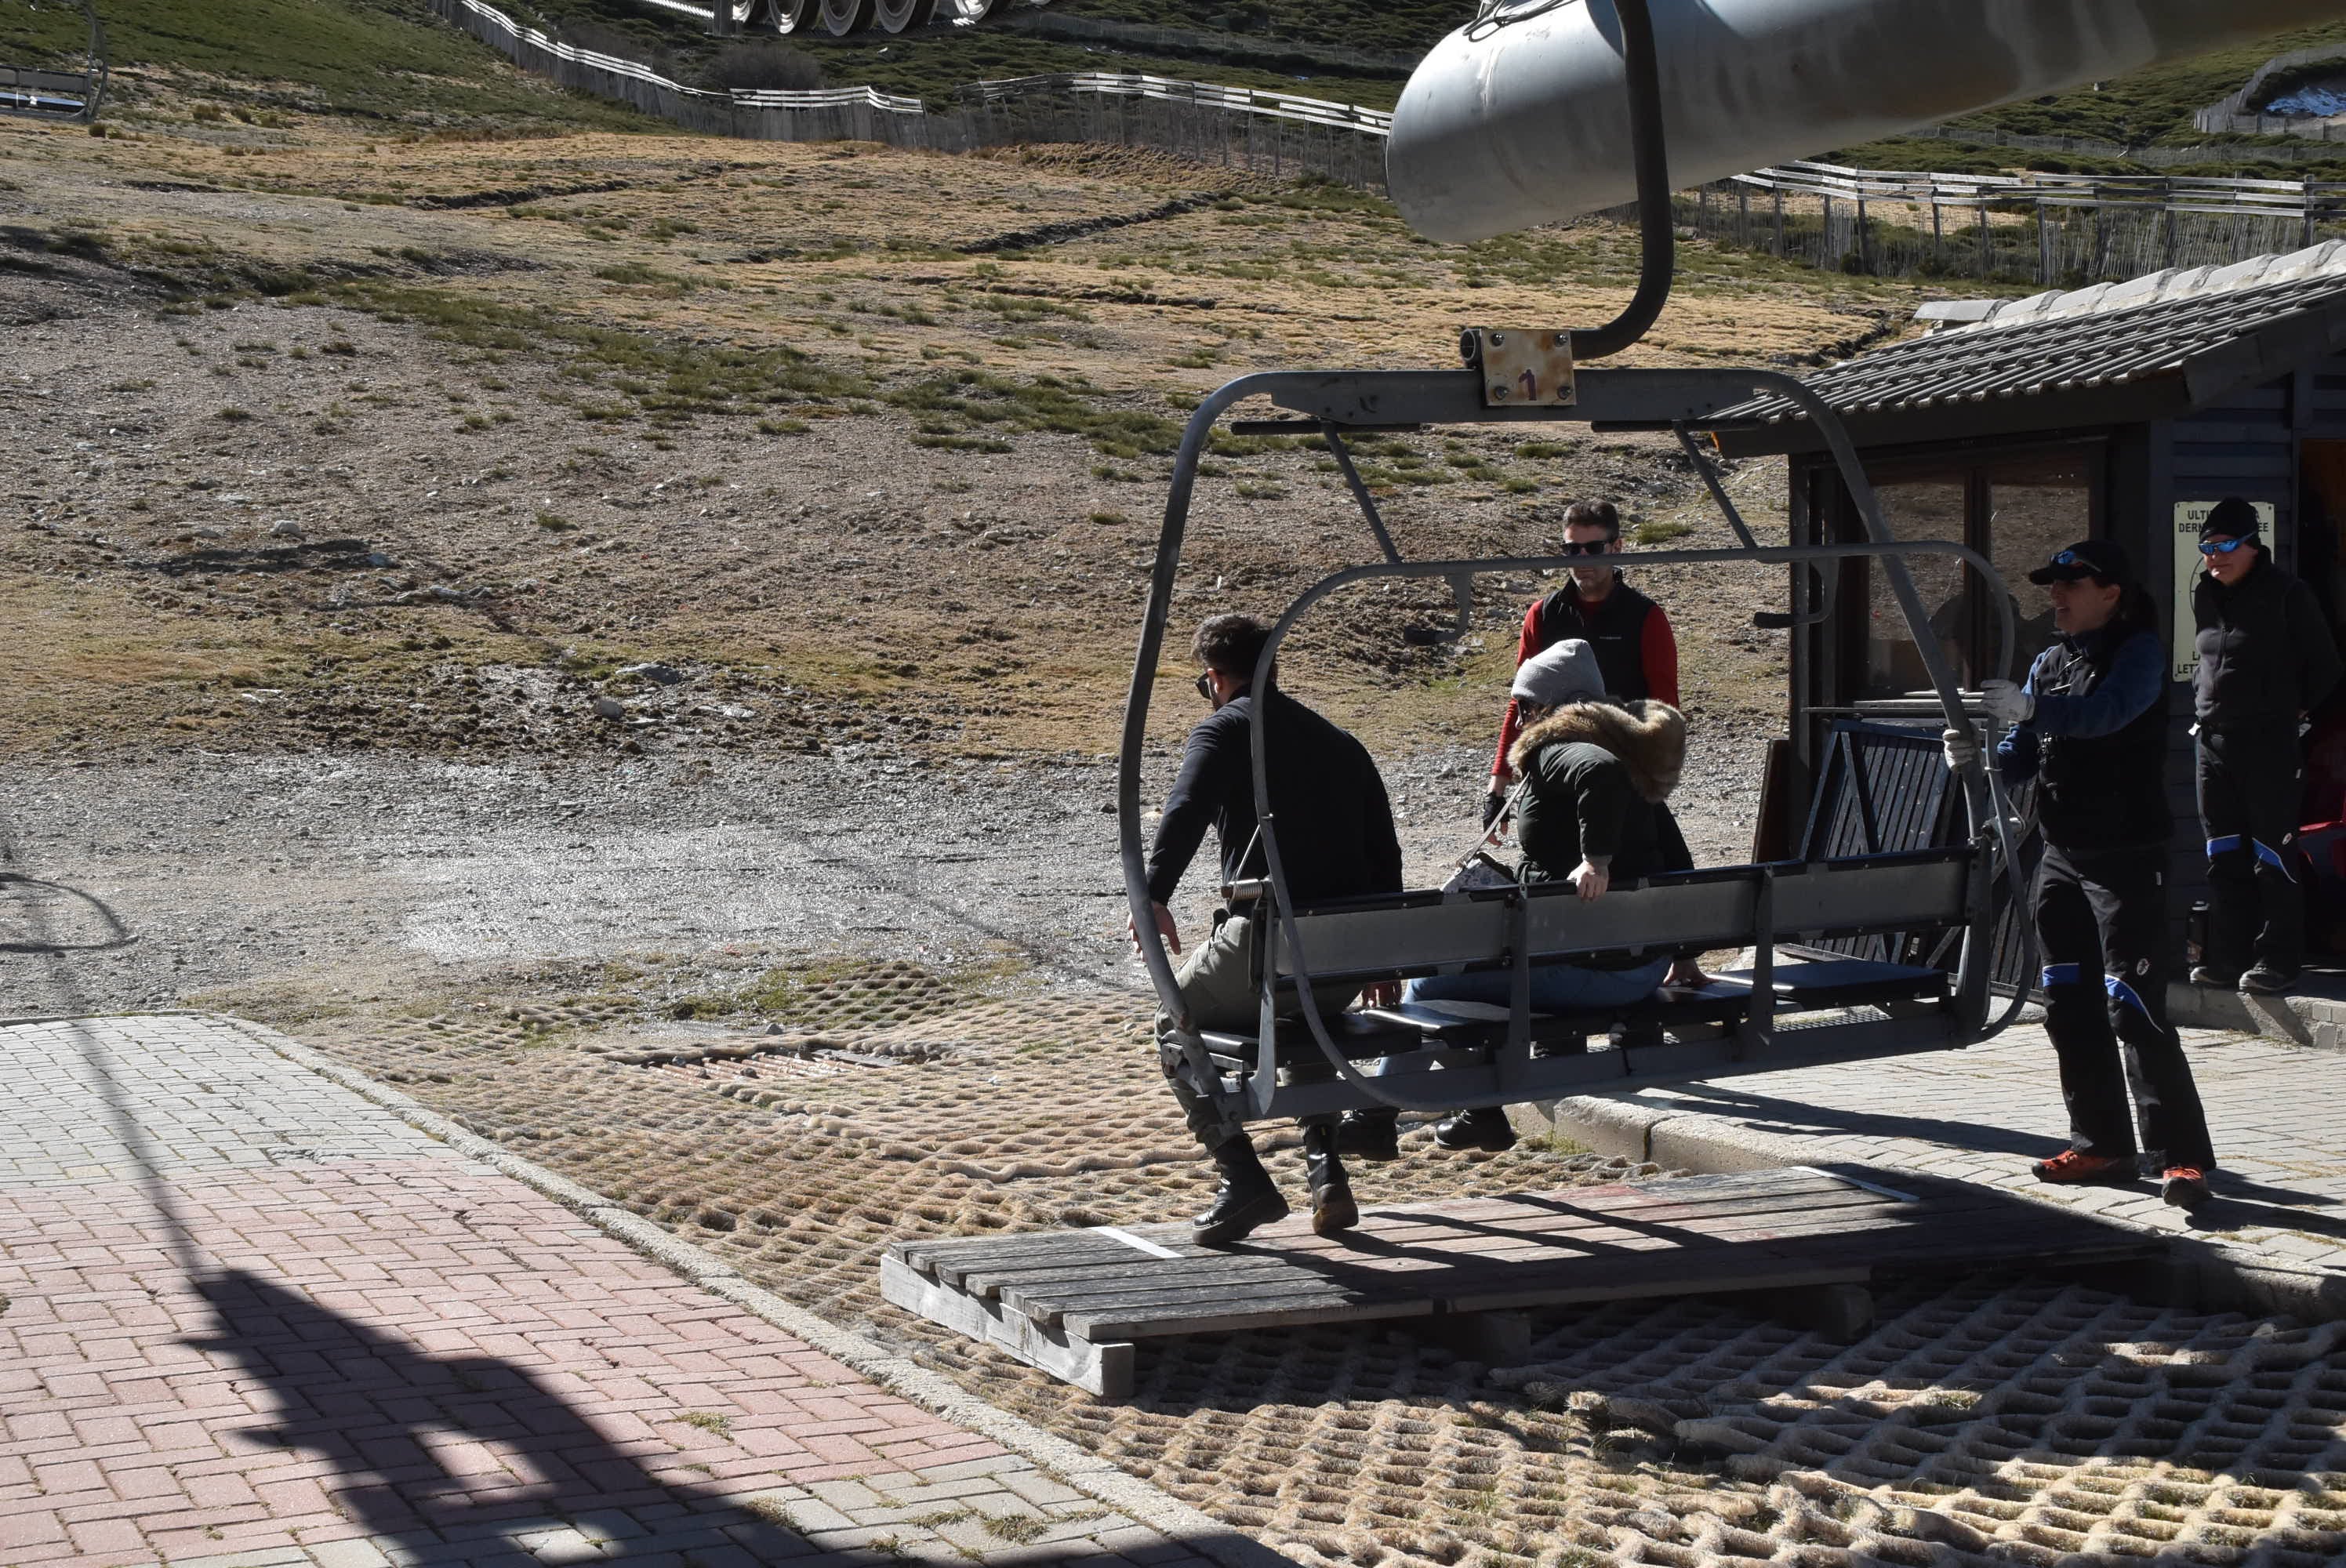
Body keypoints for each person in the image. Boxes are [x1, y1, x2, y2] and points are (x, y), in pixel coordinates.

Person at [1951, 539, 2216, 1209]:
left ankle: (2182, 1159)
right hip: (2062, 854)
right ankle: (2102, 1145)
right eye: (2053, 585)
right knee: (2067, 1003)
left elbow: (2107, 716)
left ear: (2112, 594)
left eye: (2073, 584)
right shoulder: (2048, 662)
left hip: (2129, 856)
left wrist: (2033, 712)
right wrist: (1976, 755)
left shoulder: (2140, 653)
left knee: (2133, 1006)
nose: (2058, 596)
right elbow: (2020, 755)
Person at [1133, 612, 1404, 1246]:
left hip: (1267, 947)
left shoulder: (1225, 730)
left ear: (1216, 678)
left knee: (1173, 1021)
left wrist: (1152, 895)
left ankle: (1242, 1177)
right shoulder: (1341, 741)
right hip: (1345, 962)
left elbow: (1185, 811)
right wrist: (1386, 956)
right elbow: (1384, 855)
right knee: (1306, 1019)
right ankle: (1324, 1170)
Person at [1418, 638, 1687, 1152]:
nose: (1517, 721)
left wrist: (1596, 860)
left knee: (1426, 989)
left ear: (1551, 708)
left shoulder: (1564, 748)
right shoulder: (1633, 760)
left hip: (1592, 970)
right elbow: (1681, 866)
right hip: (1642, 966)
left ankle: (1386, 1115)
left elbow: (1597, 775)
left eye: (1522, 707)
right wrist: (1689, 955)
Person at [2189, 496, 2342, 994]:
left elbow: (2326, 666)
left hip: (2268, 743)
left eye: (2227, 546)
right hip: (2211, 741)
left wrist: (2293, 711)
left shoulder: (2287, 594)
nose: (2216, 557)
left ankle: (2278, 960)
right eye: (2208, 548)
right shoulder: (2205, 594)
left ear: (2254, 546)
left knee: (2271, 855)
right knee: (2224, 852)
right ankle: (2228, 958)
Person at [1484, 500, 1680, 829]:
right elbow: (1521, 703)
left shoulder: (1646, 617)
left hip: (1621, 774)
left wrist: (1650, 783)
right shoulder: (1543, 615)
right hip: (1554, 772)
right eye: (1573, 549)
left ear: (1617, 548)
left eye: (1593, 548)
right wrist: (1497, 788)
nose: (1582, 560)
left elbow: (1665, 707)